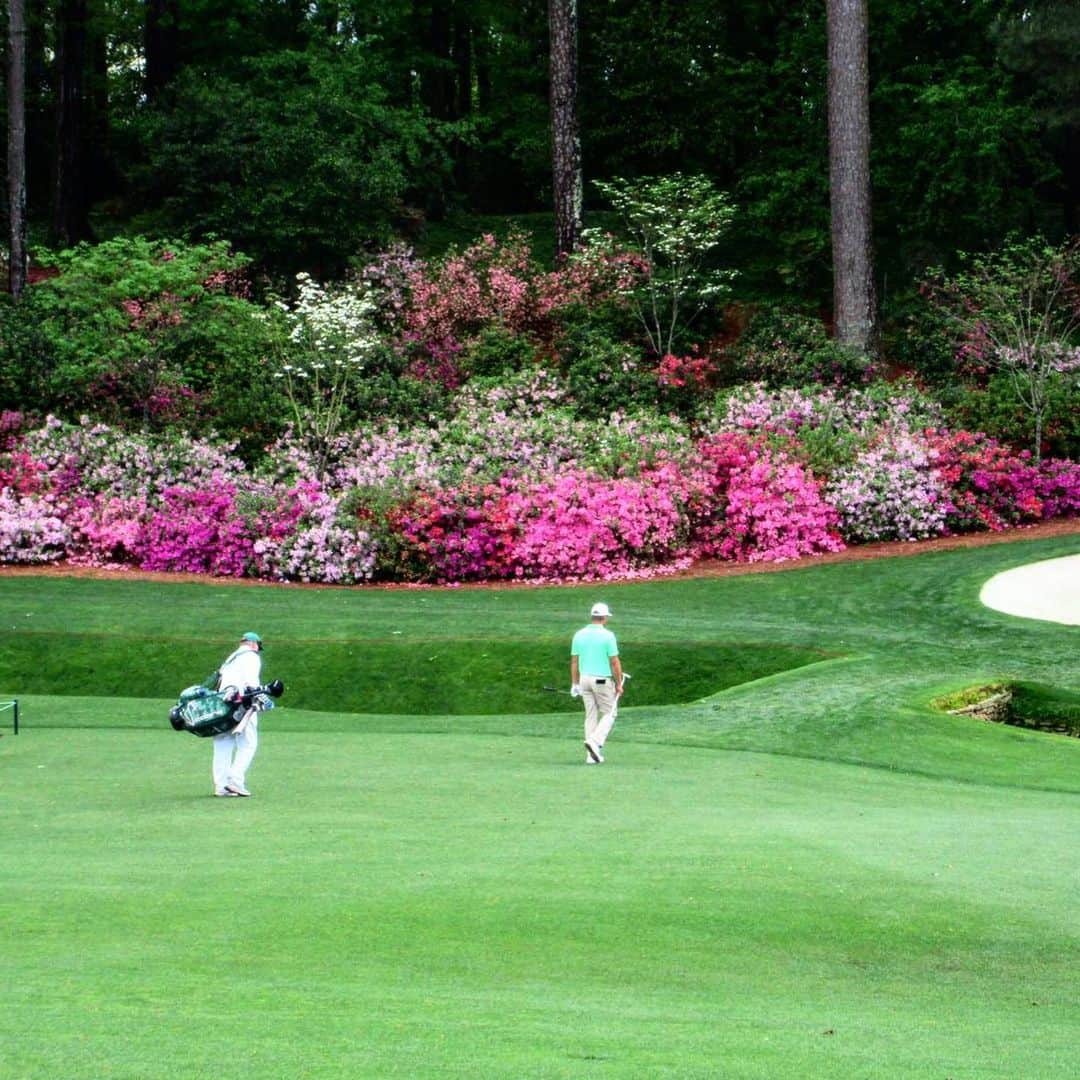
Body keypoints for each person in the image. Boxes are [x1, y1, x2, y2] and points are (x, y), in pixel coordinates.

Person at [570, 602, 624, 764]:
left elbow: (574, 662)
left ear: (592, 616)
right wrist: (619, 683)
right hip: (601, 680)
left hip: (584, 679)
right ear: (604, 618)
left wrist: (575, 684)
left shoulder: (579, 634)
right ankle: (595, 742)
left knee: (591, 715)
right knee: (610, 712)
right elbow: (614, 662)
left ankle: (591, 756)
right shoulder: (608, 636)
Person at [212, 631, 264, 797]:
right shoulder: (251, 657)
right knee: (248, 743)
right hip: (242, 704)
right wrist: (259, 700)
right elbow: (251, 682)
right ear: (254, 644)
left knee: (223, 742)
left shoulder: (231, 658)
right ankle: (235, 781)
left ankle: (221, 786)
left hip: (222, 704)